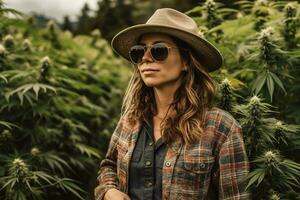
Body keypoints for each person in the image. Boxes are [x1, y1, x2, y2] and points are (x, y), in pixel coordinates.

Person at [95, 8, 250, 200]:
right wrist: (109, 191)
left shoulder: (221, 128)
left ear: (185, 61)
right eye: (139, 51)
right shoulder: (130, 119)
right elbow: (109, 165)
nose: (145, 58)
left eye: (159, 50)